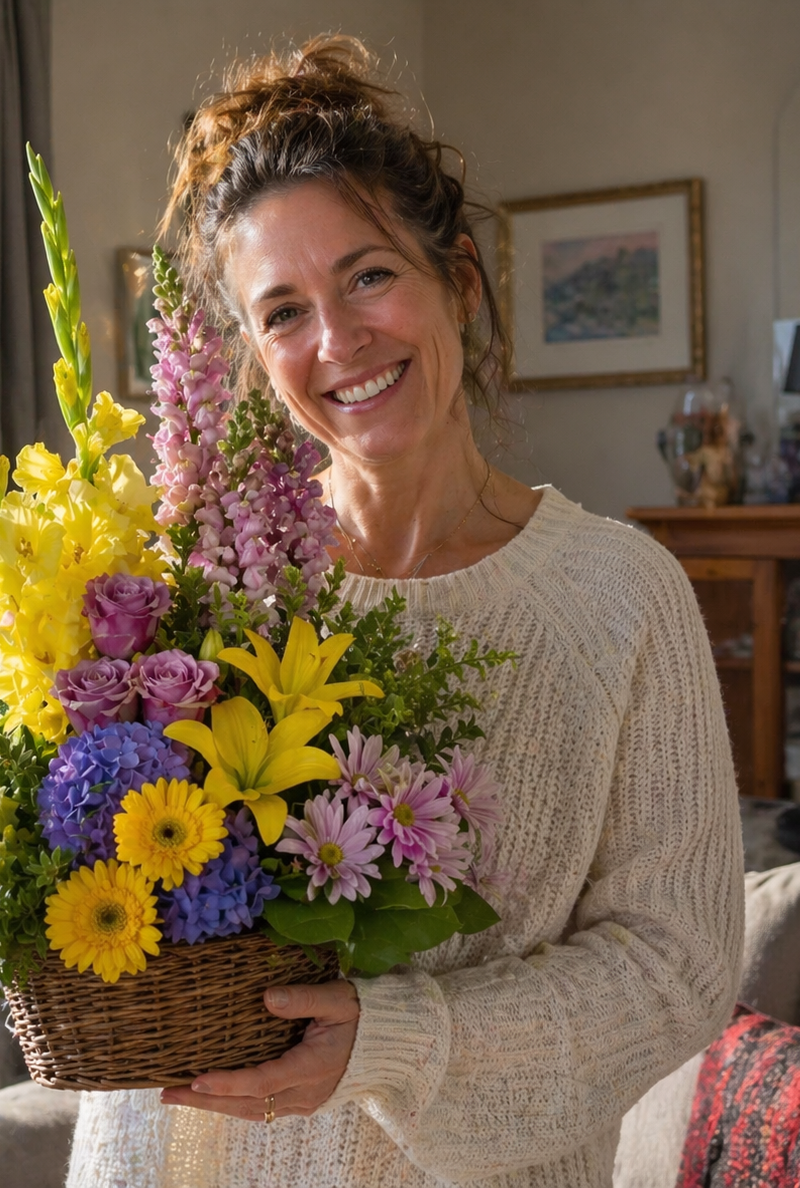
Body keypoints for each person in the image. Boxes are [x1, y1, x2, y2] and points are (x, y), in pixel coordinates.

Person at [64, 35, 743, 1188]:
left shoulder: (624, 597)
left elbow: (677, 965)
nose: (339, 341)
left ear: (460, 284)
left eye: (370, 275)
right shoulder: (197, 593)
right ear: (252, 358)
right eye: (283, 311)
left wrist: (394, 1044)